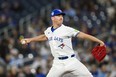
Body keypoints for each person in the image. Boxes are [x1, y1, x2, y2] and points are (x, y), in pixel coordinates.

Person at [20, 9, 105, 77]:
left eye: (61, 15)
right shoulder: (49, 30)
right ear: (52, 18)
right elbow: (44, 36)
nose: (61, 17)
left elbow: (83, 35)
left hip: (71, 61)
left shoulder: (67, 29)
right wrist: (30, 39)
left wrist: (99, 41)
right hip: (58, 63)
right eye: (58, 15)